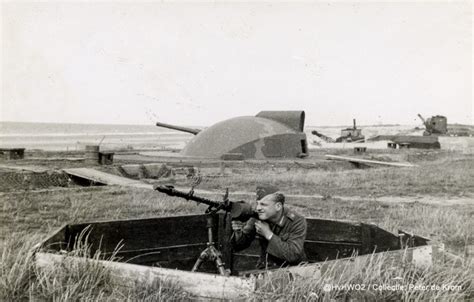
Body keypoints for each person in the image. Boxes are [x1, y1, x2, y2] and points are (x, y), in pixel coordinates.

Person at [231, 192, 307, 269]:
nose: (258, 208)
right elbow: (240, 244)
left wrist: (268, 234)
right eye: (257, 204)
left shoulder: (296, 221)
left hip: (292, 270)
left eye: (263, 204)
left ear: (278, 206)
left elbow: (293, 254)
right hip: (265, 268)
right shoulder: (258, 217)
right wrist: (236, 230)